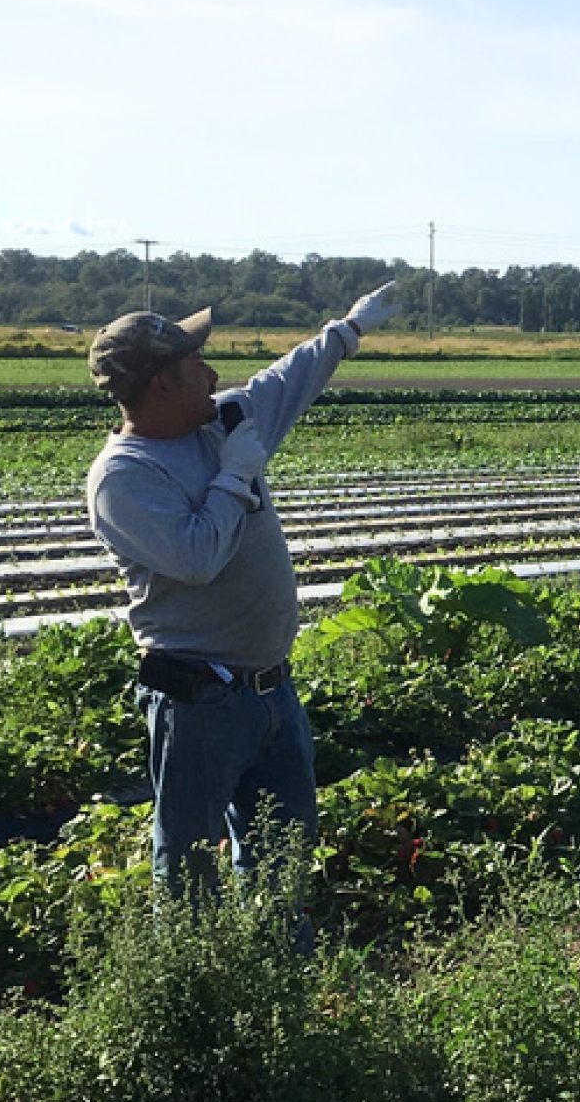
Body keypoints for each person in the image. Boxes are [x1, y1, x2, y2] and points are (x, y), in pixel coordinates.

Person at [84, 281, 401, 897]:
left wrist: (349, 329)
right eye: (194, 364)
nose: (212, 373)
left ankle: (280, 972)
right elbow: (197, 558)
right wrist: (233, 475)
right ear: (160, 386)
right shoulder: (123, 478)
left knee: (283, 857)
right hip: (199, 701)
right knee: (190, 867)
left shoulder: (222, 419)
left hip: (272, 689)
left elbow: (287, 380)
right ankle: (192, 984)